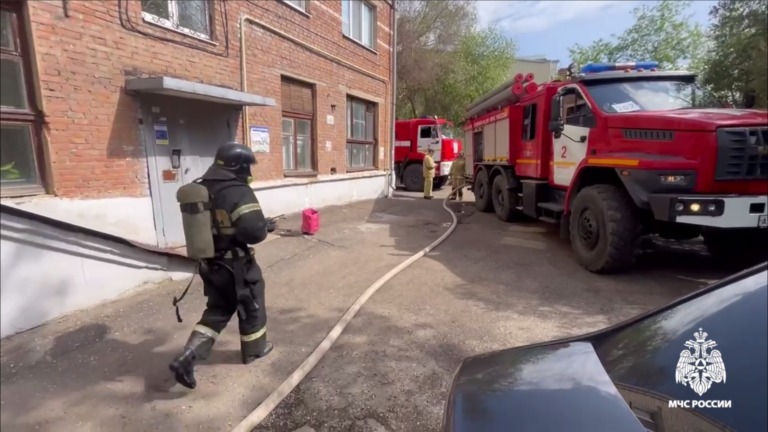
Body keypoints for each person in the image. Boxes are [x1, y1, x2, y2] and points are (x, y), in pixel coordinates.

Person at [169, 142, 272, 390]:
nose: (249, 171)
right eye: (247, 166)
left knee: (218, 308)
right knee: (251, 304)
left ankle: (189, 355)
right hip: (236, 265)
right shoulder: (238, 190)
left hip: (210, 264)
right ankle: (254, 350)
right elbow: (254, 232)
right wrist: (264, 226)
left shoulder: (202, 186)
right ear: (238, 166)